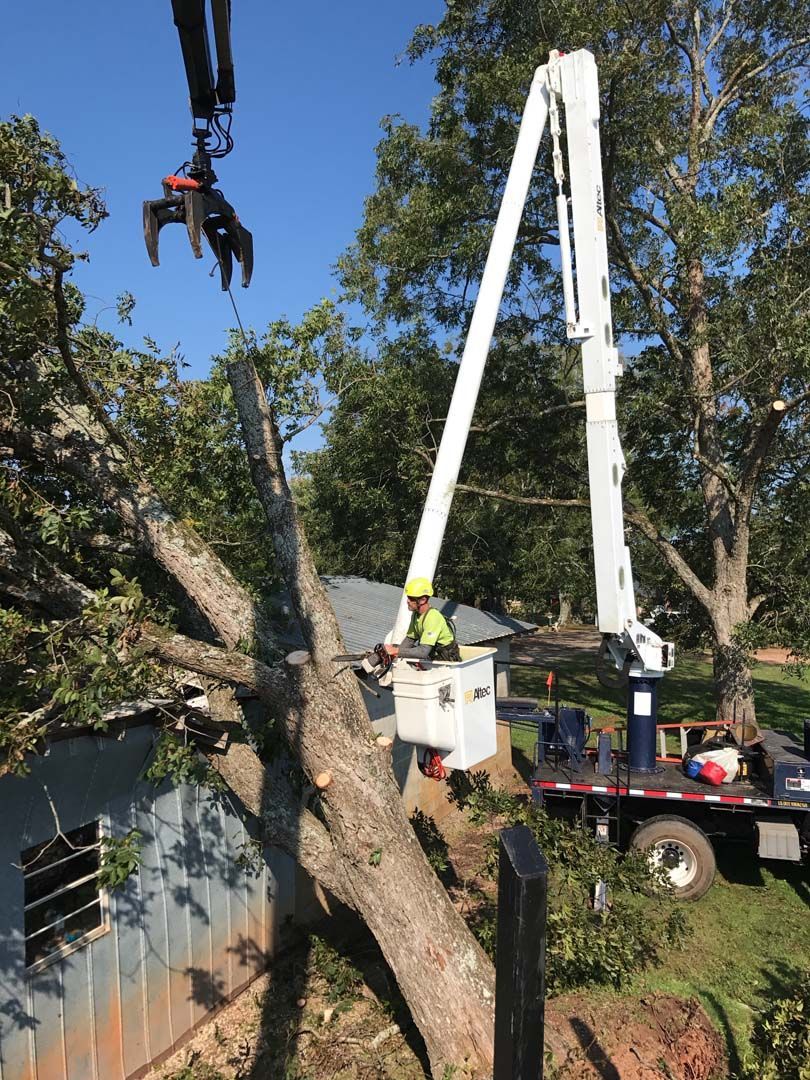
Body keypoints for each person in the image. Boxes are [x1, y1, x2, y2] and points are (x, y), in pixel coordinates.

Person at [384, 578, 461, 662]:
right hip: (432, 657)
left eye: (411, 598)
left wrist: (396, 651)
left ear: (423, 600)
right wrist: (394, 655)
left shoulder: (433, 617)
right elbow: (410, 640)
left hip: (446, 660)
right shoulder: (416, 614)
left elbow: (423, 652)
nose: (407, 601)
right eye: (408, 597)